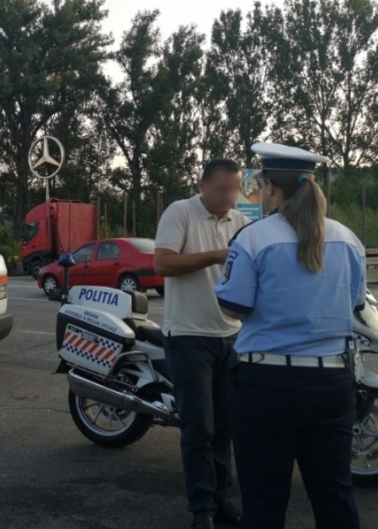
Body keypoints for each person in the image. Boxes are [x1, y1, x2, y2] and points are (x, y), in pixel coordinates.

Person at [214, 143, 365, 529]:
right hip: (332, 384)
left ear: (269, 187)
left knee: (264, 500)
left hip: (266, 387)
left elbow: (233, 307)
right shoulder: (348, 238)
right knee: (334, 496)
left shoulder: (253, 238)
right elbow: (354, 304)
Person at [154, 159, 250, 529]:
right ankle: (201, 509)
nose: (230, 197)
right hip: (188, 337)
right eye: (223, 189)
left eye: (235, 189)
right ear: (201, 185)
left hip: (231, 337)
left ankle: (220, 498)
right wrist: (216, 255)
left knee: (226, 427)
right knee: (199, 429)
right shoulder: (180, 212)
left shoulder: (241, 222)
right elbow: (162, 264)